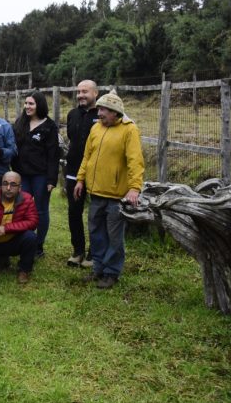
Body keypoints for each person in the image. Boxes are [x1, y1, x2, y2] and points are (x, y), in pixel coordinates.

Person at [74, 91, 144, 290]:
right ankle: (98, 268)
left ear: (115, 112)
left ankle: (112, 272)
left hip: (116, 197)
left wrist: (134, 188)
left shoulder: (129, 130)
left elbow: (135, 161)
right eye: (99, 109)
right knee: (96, 232)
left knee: (114, 237)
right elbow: (87, 157)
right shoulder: (96, 128)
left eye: (103, 109)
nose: (99, 113)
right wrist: (80, 179)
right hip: (95, 193)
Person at [11, 91, 60, 259]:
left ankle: (38, 245)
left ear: (39, 105)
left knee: (40, 211)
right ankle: (22, 241)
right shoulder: (20, 123)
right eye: (26, 103)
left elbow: (54, 155)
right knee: (20, 208)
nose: (27, 107)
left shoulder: (49, 126)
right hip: (22, 175)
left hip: (40, 176)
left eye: (31, 104)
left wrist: (51, 179)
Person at [64, 80, 99, 268]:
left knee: (95, 214)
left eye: (85, 91)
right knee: (74, 212)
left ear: (96, 93)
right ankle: (78, 251)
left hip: (96, 173)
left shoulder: (103, 114)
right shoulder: (72, 115)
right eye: (78, 92)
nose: (80, 95)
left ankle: (94, 253)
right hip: (73, 171)